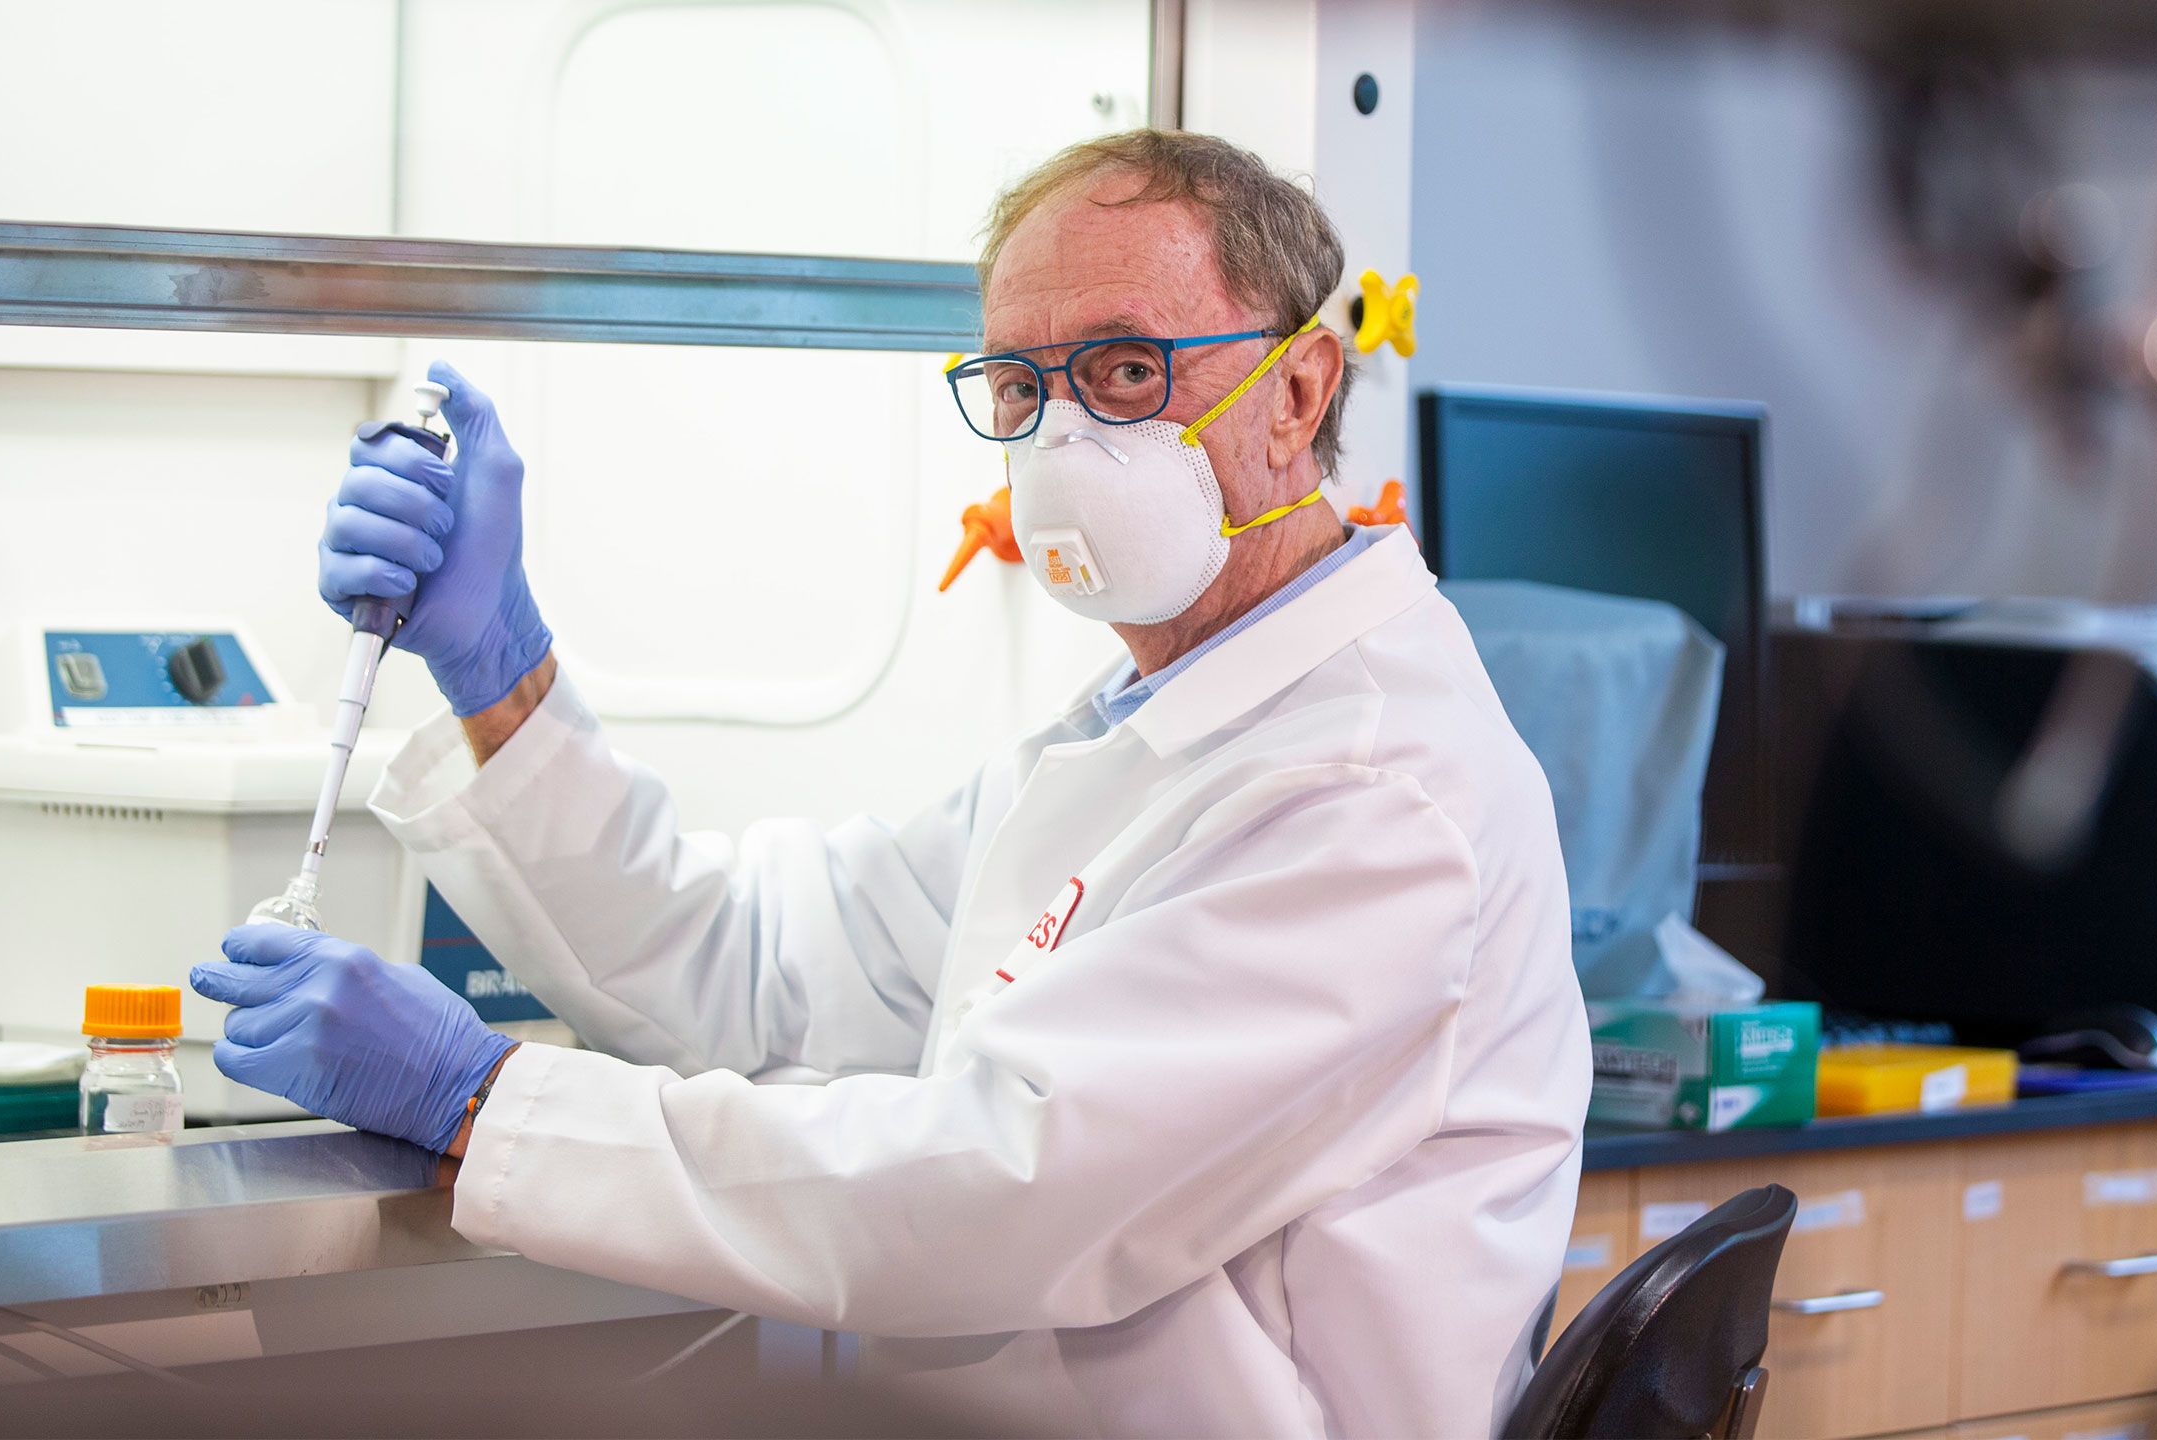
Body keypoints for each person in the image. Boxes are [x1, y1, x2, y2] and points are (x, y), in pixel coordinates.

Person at [191, 130, 1589, 1436]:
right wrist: (498, 667)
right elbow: (757, 975)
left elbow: (993, 1193)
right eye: (1022, 388)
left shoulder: (1376, 787)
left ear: (1297, 392)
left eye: (1124, 371)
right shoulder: (1145, 731)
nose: (1064, 446)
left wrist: (478, 1092)